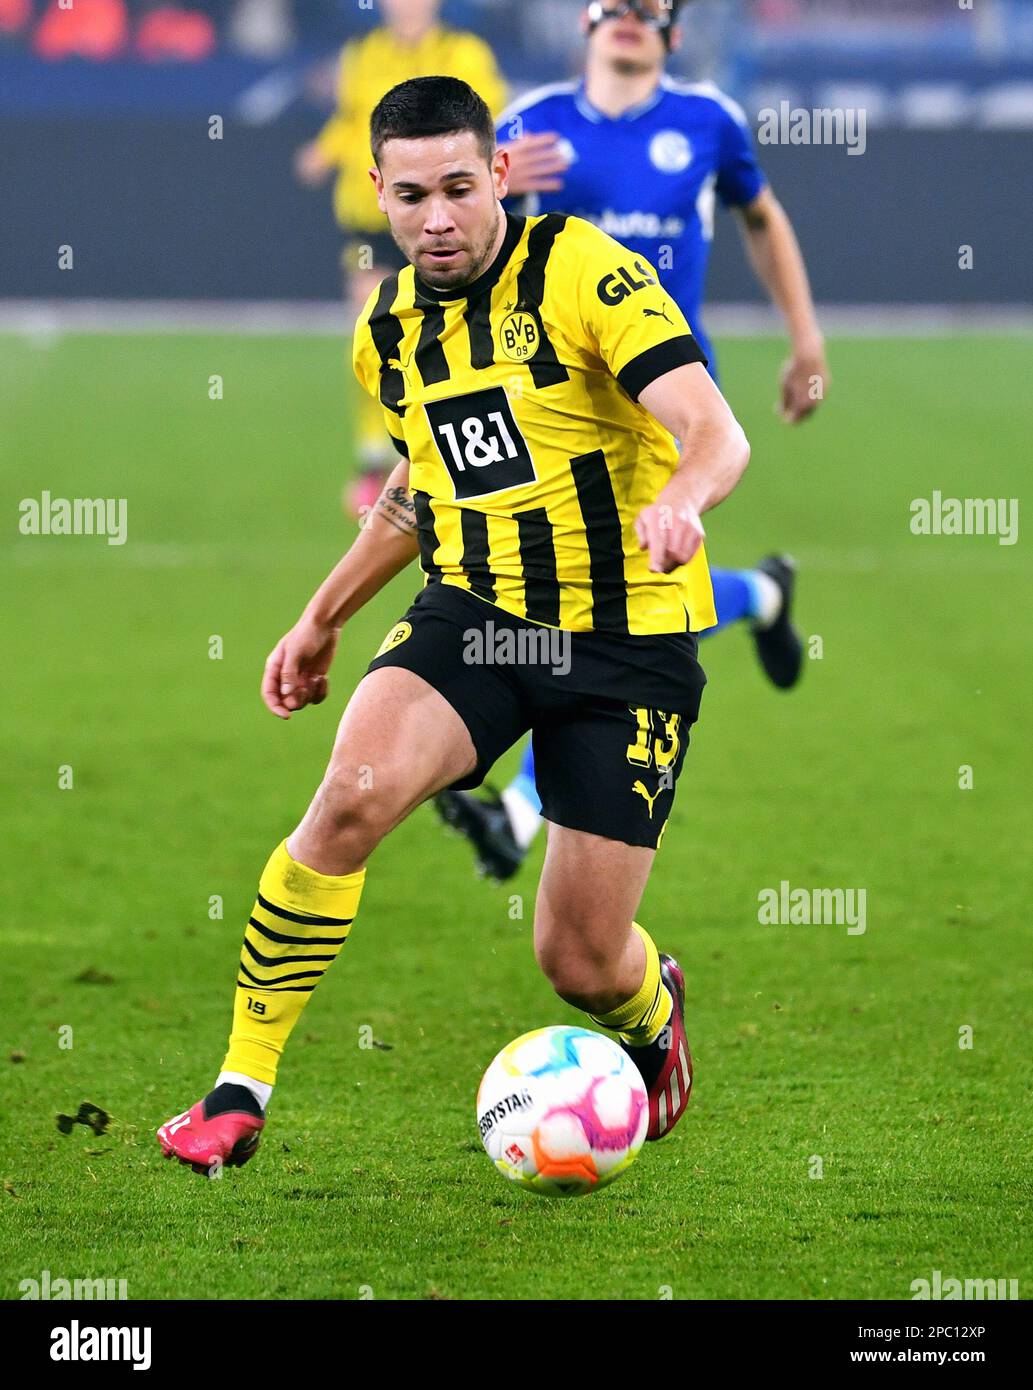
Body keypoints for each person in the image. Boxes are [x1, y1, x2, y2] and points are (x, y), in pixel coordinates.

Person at [157, 75, 750, 1168]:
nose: (439, 218)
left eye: (463, 189)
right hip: (477, 617)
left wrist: (681, 498)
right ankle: (239, 1085)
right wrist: (322, 614)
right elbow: (419, 490)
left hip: (623, 646)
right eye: (414, 194)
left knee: (576, 960)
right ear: (376, 190)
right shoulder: (386, 332)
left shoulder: (584, 271)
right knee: (349, 796)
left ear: (503, 177)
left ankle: (650, 1010)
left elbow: (715, 431)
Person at [435, 0, 830, 880]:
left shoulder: (706, 122)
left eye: (647, 6)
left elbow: (760, 219)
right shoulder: (525, 125)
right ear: (583, 22)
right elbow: (463, 235)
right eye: (609, 1)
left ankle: (515, 810)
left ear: (674, 32)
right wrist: (491, 182)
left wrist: (804, 340)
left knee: (614, 597)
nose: (625, 15)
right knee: (624, 596)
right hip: (554, 396)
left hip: (663, 393)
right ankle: (762, 596)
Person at [295, 0, 506, 517]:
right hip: (374, 212)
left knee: (456, 326)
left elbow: (490, 122)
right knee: (373, 323)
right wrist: (324, 150)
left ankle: (462, 449)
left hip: (443, 210)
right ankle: (374, 460)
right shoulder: (361, 54)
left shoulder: (465, 53)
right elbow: (352, 123)